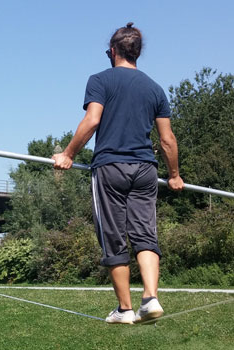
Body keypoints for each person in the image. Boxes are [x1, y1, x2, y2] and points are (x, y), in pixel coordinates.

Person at [52, 22, 184, 324]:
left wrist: (68, 154)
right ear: (137, 53)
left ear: (112, 51)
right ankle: (150, 297)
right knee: (145, 233)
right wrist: (174, 174)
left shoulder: (100, 80)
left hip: (110, 168)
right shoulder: (155, 89)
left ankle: (125, 309)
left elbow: (92, 120)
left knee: (113, 236)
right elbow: (167, 140)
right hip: (145, 170)